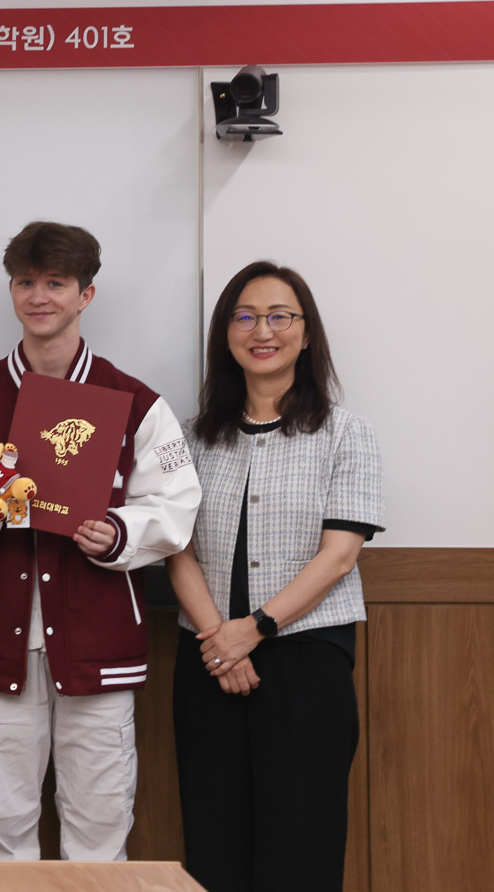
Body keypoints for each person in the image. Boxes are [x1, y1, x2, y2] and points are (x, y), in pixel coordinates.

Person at [0, 220, 199, 861]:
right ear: (11, 290)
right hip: (0, 641)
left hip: (99, 641)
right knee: (1, 824)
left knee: (100, 827)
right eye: (25, 282)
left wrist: (118, 532)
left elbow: (177, 507)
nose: (38, 296)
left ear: (85, 295)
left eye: (55, 283)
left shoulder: (134, 402)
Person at [166, 261, 382, 892]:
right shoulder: (189, 438)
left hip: (306, 660)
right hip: (207, 660)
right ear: (225, 334)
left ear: (306, 333)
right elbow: (176, 549)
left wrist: (254, 629)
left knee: (302, 845)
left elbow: (340, 554)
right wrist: (219, 640)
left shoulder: (346, 433)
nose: (263, 330)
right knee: (214, 841)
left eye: (280, 316)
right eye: (244, 316)